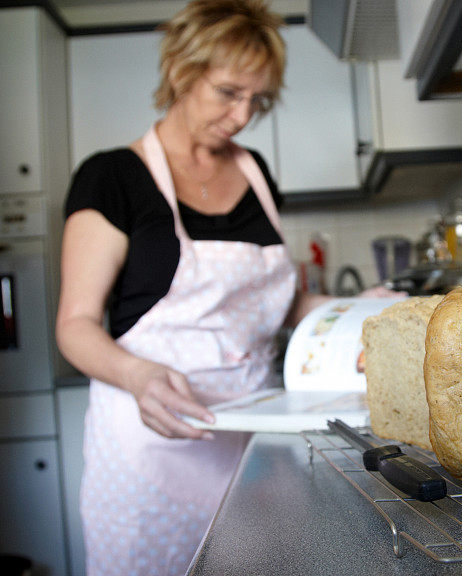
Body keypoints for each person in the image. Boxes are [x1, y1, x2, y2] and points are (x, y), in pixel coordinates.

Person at [55, 1, 396, 574]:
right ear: (181, 73)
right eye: (228, 93)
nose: (242, 116)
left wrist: (357, 309)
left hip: (256, 435)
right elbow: (75, 324)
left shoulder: (256, 171)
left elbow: (281, 306)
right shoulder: (112, 176)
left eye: (257, 101)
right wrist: (137, 376)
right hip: (153, 439)